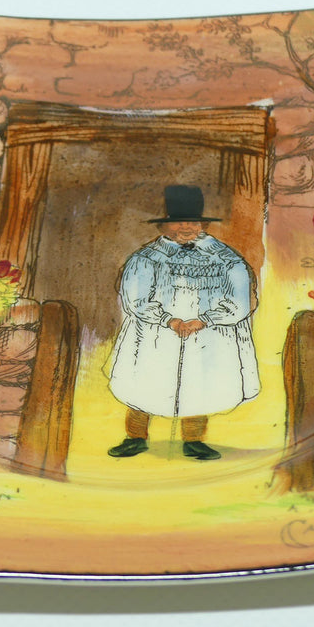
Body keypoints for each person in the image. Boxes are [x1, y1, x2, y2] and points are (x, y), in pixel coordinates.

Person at [107, 185, 260, 460]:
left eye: (192, 222)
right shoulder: (146, 258)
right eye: (179, 222)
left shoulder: (226, 259)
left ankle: (194, 440)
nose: (186, 227)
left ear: (202, 224)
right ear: (165, 225)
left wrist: (206, 320)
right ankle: (135, 437)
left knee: (198, 383)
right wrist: (168, 320)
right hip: (155, 335)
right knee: (144, 382)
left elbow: (240, 299)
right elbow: (135, 298)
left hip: (207, 336)